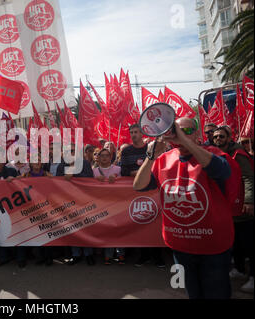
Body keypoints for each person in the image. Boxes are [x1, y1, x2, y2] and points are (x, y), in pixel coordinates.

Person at [133, 117, 235, 299]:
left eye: (187, 131)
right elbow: (139, 186)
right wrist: (151, 157)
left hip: (213, 245)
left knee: (216, 293)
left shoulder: (213, 154)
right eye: (177, 131)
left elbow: (223, 172)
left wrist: (186, 141)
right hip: (180, 245)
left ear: (197, 134)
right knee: (192, 293)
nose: (181, 136)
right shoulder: (163, 160)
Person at [213, 126, 254, 293]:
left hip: (243, 207)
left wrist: (250, 201)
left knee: (249, 244)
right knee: (235, 242)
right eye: (215, 137)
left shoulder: (238, 155)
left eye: (221, 136)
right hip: (229, 207)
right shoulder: (218, 154)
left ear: (230, 138)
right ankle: (239, 270)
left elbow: (248, 177)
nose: (218, 139)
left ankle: (253, 277)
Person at [120, 125, 165, 268]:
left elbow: (158, 166)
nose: (133, 134)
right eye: (131, 132)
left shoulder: (151, 148)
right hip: (135, 193)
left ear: (142, 133)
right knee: (141, 222)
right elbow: (124, 170)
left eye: (136, 132)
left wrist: (144, 172)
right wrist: (137, 174)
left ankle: (158, 257)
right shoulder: (126, 151)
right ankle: (143, 256)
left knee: (155, 223)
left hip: (153, 191)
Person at [56, 143, 95, 266]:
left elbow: (89, 178)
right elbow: (56, 183)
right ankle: (76, 254)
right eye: (67, 151)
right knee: (72, 228)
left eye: (72, 151)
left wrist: (74, 173)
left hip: (83, 200)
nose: (70, 154)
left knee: (85, 227)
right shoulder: (61, 166)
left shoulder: (85, 163)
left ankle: (88, 254)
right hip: (68, 201)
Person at [93, 148, 125, 265]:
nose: (105, 158)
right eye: (102, 156)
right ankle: (108, 255)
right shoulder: (95, 171)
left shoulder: (118, 169)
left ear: (111, 157)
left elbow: (125, 183)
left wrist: (117, 178)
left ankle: (121, 254)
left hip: (117, 203)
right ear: (99, 158)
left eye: (107, 155)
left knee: (118, 229)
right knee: (107, 230)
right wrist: (95, 180)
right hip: (101, 204)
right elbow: (88, 186)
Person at [20, 159, 53, 267]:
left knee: (47, 232)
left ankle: (49, 257)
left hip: (46, 207)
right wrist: (12, 179)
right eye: (35, 161)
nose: (37, 163)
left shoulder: (47, 174)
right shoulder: (26, 175)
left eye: (39, 161)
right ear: (31, 164)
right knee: (37, 233)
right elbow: (16, 182)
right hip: (32, 208)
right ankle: (40, 257)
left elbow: (55, 185)